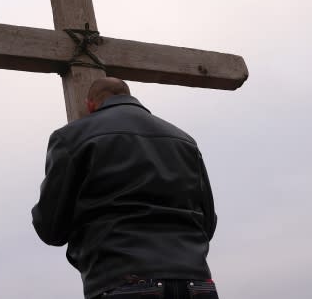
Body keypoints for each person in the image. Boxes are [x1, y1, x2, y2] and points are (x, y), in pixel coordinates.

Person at [31, 77, 218, 299]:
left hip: (123, 279)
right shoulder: (185, 140)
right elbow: (208, 222)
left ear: (90, 104)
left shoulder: (71, 137)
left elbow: (51, 228)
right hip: (196, 282)